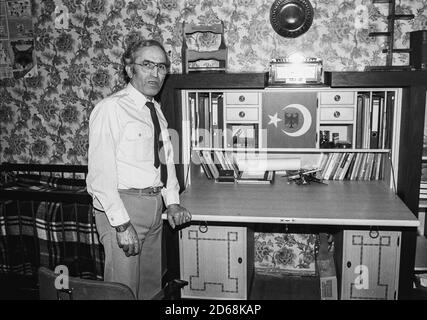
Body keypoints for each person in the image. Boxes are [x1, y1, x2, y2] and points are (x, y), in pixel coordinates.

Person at [86, 39, 191, 300]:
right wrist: (121, 225)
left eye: (162, 67)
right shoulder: (111, 108)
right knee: (123, 290)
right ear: (129, 68)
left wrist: (173, 202)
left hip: (155, 207)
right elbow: (100, 175)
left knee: (150, 286)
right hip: (124, 207)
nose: (156, 73)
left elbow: (166, 161)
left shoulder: (154, 109)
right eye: (147, 65)